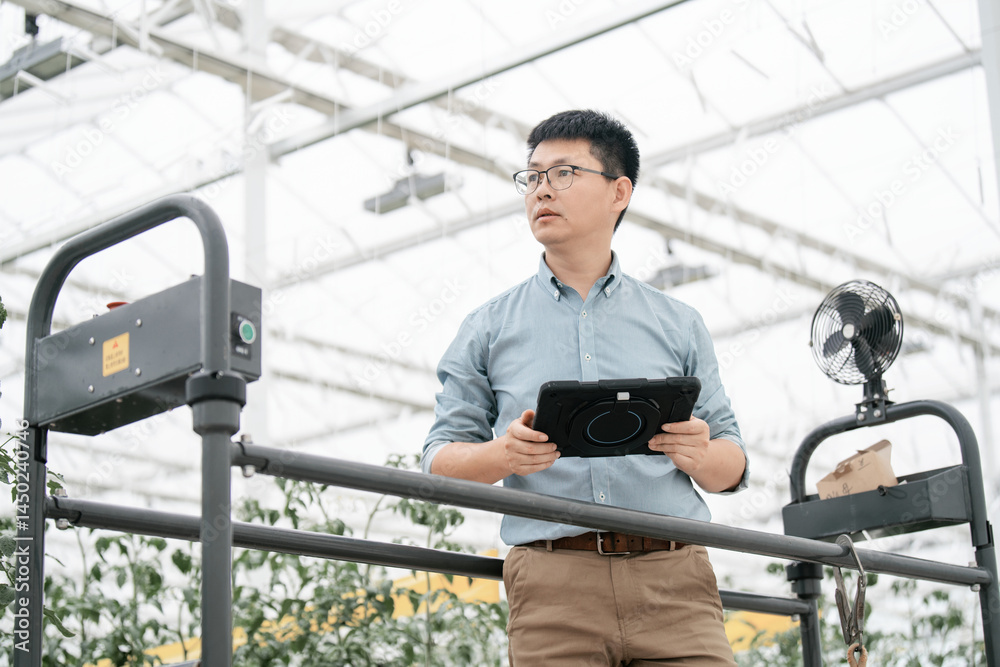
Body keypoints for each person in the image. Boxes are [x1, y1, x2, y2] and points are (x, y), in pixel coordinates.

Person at [421, 109, 749, 666]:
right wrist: (503, 455)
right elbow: (437, 464)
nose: (542, 190)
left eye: (564, 173)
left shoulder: (678, 323)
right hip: (553, 587)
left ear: (620, 191)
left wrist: (698, 453)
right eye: (533, 176)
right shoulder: (487, 328)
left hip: (675, 583)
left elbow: (731, 467)